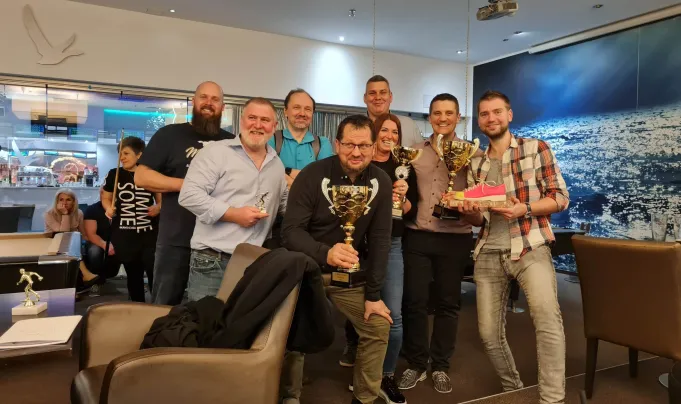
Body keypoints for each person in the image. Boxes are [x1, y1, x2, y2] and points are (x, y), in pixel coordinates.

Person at [451, 90, 570, 404]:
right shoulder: (475, 162)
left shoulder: (535, 149)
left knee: (547, 320)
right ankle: (512, 388)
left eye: (497, 112)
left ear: (509, 115)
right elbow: (479, 218)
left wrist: (525, 209)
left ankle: (552, 399)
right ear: (480, 121)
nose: (491, 118)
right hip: (488, 250)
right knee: (488, 334)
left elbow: (560, 197)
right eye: (485, 114)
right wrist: (467, 210)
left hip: (530, 246)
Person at [281, 115, 393, 404]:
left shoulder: (381, 181)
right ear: (337, 144)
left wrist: (374, 295)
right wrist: (326, 252)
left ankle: (364, 398)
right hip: (305, 271)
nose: (356, 152)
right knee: (290, 327)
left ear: (373, 147)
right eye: (349, 145)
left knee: (378, 325)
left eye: (364, 146)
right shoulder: (311, 175)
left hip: (349, 277)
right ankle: (289, 396)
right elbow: (290, 232)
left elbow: (381, 240)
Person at [397, 94, 476, 394]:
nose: (443, 118)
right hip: (419, 235)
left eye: (449, 113)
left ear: (458, 117)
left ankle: (441, 365)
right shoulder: (414, 152)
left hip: (456, 236)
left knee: (448, 303)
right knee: (414, 302)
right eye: (437, 113)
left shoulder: (472, 153)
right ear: (429, 117)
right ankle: (417, 363)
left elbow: (480, 194)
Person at [135, 81, 235, 305]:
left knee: (208, 310)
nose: (208, 103)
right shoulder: (169, 135)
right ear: (193, 101)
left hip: (217, 244)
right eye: (203, 97)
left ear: (222, 106)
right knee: (163, 306)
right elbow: (141, 177)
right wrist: (191, 186)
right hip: (176, 239)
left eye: (215, 99)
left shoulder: (232, 143)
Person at [178, 97, 287, 301]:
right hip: (212, 262)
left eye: (265, 120)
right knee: (205, 320)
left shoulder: (277, 165)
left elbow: (283, 206)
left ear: (274, 126)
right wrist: (233, 214)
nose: (258, 125)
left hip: (255, 264)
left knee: (243, 321)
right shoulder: (215, 152)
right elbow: (189, 196)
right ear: (241, 121)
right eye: (252, 118)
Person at [343, 114, 418, 404]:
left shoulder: (405, 167)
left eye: (394, 132)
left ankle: (385, 376)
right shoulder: (358, 161)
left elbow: (410, 210)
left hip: (391, 244)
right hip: (356, 245)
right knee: (359, 313)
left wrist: (403, 196)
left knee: (393, 316)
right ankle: (364, 376)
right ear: (374, 135)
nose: (389, 135)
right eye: (384, 130)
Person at [102, 136, 161, 303]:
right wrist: (108, 208)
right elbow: (106, 198)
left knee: (154, 272)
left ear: (139, 154)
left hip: (149, 234)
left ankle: (158, 308)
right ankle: (137, 308)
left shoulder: (151, 174)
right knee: (133, 275)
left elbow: (161, 200)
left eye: (126, 153)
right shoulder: (114, 174)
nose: (122, 157)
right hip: (124, 234)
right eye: (120, 154)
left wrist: (158, 207)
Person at [268, 88, 334, 188]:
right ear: (285, 111)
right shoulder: (271, 139)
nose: (302, 113)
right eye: (296, 107)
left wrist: (287, 171)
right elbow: (268, 175)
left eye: (307, 109)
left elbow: (324, 181)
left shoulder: (323, 143)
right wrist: (308, 180)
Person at [44, 189, 101, 288]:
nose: (64, 203)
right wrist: (65, 214)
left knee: (76, 243)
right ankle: (85, 275)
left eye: (68, 200)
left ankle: (80, 283)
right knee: (70, 242)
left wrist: (93, 242)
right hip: (54, 242)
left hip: (72, 241)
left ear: (74, 202)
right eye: (61, 199)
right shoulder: (49, 214)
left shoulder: (78, 213)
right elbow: (63, 233)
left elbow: (83, 233)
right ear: (57, 201)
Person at [363, 75, 423, 147]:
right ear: (365, 98)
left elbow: (422, 153)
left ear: (390, 97)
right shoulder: (353, 127)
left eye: (383, 92)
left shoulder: (409, 126)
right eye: (372, 93)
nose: (378, 97)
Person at [83, 186, 121, 280]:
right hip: (97, 241)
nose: (104, 195)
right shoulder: (92, 209)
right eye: (102, 193)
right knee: (94, 251)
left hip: (117, 240)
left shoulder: (122, 209)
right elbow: (91, 234)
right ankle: (94, 278)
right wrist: (105, 245)